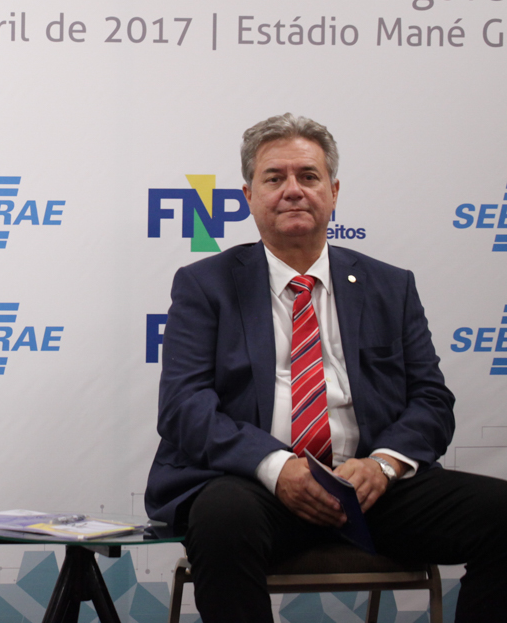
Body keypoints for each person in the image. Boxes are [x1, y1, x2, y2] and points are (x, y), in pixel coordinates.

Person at [144, 113, 507, 622]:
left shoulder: (390, 286)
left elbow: (431, 401)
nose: (293, 190)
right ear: (249, 196)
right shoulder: (205, 285)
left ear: (334, 192)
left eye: (308, 176)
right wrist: (278, 467)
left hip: (370, 488)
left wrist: (382, 466)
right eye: (275, 178)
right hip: (253, 486)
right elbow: (185, 408)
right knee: (222, 519)